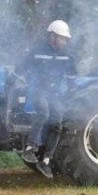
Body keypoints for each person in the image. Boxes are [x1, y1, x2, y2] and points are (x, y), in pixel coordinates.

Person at [17, 20, 76, 178]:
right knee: (43, 113)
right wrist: (13, 77)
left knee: (57, 123)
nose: (65, 41)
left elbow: (71, 77)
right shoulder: (37, 51)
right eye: (62, 38)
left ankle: (46, 161)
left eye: (66, 39)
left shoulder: (67, 56)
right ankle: (30, 148)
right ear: (52, 36)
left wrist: (72, 93)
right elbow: (23, 66)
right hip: (37, 91)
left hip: (54, 94)